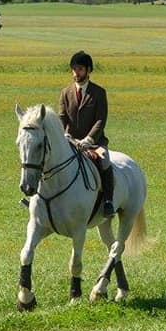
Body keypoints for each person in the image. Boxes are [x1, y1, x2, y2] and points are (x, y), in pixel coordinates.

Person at [59, 51, 114, 218]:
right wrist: (64, 134)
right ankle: (39, 199)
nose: (76, 73)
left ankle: (108, 202)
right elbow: (62, 117)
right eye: (74, 69)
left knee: (104, 161)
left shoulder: (99, 92)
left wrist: (89, 139)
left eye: (80, 69)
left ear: (88, 70)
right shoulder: (65, 92)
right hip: (71, 141)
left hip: (94, 143)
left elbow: (100, 120)